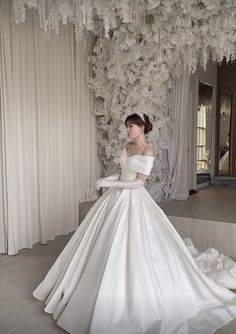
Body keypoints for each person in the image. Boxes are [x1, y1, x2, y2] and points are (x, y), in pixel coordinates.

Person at [33, 113, 236, 334]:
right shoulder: (127, 146)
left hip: (132, 200)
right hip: (114, 199)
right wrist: (106, 180)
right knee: (101, 242)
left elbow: (139, 183)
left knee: (133, 243)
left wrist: (113, 185)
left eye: (132, 126)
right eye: (127, 126)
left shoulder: (148, 151)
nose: (128, 130)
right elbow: (122, 172)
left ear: (142, 128)